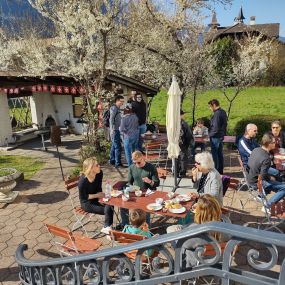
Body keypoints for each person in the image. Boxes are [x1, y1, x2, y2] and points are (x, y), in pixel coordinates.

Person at [167, 195, 230, 268]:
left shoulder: (197, 231)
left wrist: (180, 233)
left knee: (171, 232)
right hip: (220, 262)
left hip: (199, 265)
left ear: (199, 212)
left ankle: (177, 267)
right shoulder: (226, 222)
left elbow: (184, 244)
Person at [120, 151, 160, 227]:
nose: (137, 165)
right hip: (136, 193)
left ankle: (146, 228)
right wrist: (131, 188)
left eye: (138, 162)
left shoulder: (151, 168)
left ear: (143, 158)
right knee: (123, 205)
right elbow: (129, 182)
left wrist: (149, 181)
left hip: (148, 193)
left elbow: (157, 183)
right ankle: (125, 226)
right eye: (135, 163)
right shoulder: (132, 167)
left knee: (145, 208)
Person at [246, 133, 285, 211]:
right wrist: (270, 178)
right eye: (274, 142)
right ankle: (267, 206)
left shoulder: (256, 149)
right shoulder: (266, 158)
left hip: (250, 175)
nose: (276, 143)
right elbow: (263, 176)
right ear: (268, 144)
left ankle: (264, 195)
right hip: (256, 182)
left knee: (276, 172)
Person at [78, 157, 114, 235]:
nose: (99, 166)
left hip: (96, 199)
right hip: (87, 203)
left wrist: (101, 199)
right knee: (109, 208)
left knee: (111, 203)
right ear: (91, 168)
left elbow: (99, 187)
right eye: (97, 165)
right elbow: (84, 197)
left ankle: (107, 226)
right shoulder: (82, 181)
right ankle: (107, 226)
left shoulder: (99, 173)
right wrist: (97, 195)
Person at [208, 99, 228, 174]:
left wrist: (209, 135)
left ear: (214, 105)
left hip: (215, 136)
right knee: (219, 154)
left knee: (215, 154)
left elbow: (215, 127)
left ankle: (215, 171)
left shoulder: (217, 114)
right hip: (220, 136)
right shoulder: (223, 112)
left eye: (210, 107)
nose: (210, 109)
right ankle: (220, 171)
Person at [109, 95, 124, 168]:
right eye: (121, 101)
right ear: (117, 101)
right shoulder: (114, 108)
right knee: (118, 147)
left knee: (114, 146)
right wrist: (112, 129)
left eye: (123, 101)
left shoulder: (117, 108)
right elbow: (111, 119)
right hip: (114, 130)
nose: (122, 103)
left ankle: (112, 160)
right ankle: (118, 163)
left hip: (116, 129)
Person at [178, 110, 194, 177]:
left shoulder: (172, 122)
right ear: (181, 115)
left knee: (177, 157)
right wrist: (188, 144)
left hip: (176, 143)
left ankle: (176, 171)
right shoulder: (183, 123)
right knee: (183, 157)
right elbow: (188, 135)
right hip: (183, 143)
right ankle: (182, 172)